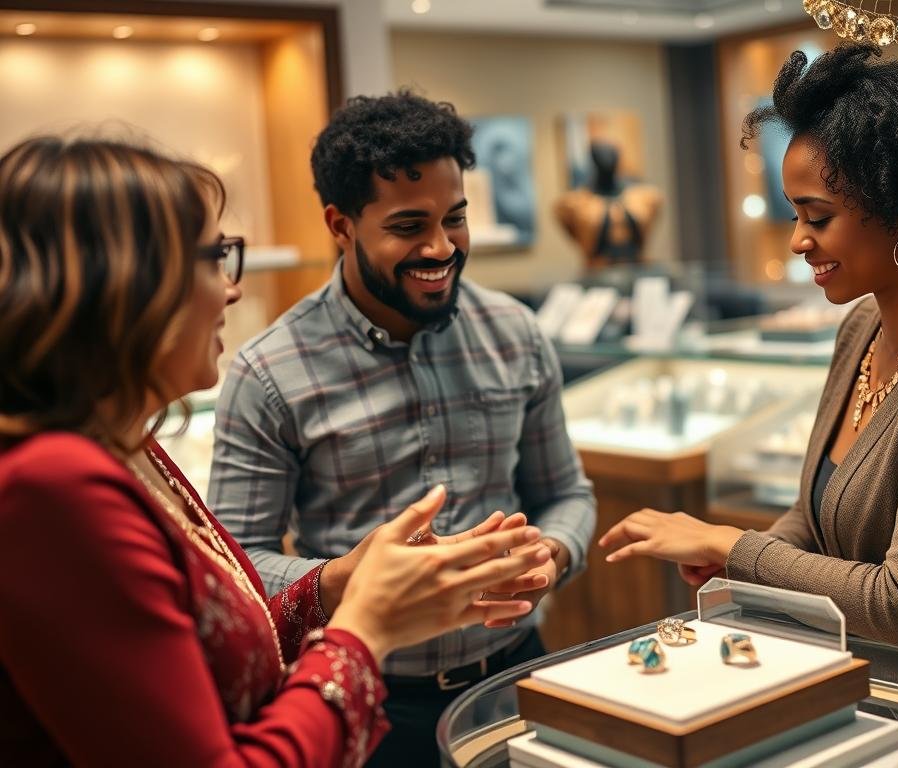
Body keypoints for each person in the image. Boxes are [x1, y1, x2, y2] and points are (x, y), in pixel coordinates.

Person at [0, 135, 552, 767]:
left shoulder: (125, 447)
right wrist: (367, 629)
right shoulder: (53, 485)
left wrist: (345, 581)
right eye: (214, 258)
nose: (232, 291)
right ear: (125, 284)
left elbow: (231, 632)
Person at [599, 44, 898, 664]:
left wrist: (733, 548)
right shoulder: (862, 327)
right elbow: (813, 513)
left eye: (817, 217)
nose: (798, 239)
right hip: (863, 678)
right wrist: (739, 563)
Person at [208, 91, 596, 765]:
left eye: (456, 219)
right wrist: (347, 578)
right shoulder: (268, 371)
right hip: (371, 701)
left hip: (519, 677)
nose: (441, 248)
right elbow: (234, 568)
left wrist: (551, 556)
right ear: (341, 224)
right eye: (410, 226)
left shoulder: (515, 333)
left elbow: (568, 494)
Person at [554, 140, 662, 271]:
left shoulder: (644, 197)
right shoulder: (576, 203)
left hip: (637, 269)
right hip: (597, 272)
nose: (607, 160)